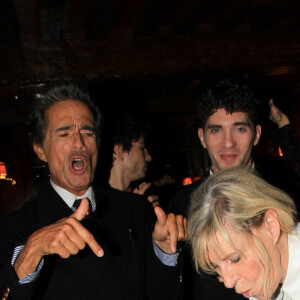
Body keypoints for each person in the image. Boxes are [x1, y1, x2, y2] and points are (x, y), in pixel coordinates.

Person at [0, 81, 186, 300]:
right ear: (41, 150)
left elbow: (162, 295)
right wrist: (33, 251)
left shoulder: (135, 209)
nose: (79, 142)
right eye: (64, 133)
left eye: (88, 133)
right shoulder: (16, 226)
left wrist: (165, 252)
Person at [168, 80, 300, 299]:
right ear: (202, 136)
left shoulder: (287, 189)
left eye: (239, 128)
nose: (228, 142)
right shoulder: (181, 206)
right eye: (217, 130)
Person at [188, 167, 299, 300]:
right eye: (216, 266)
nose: (228, 282)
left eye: (235, 259)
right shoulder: (262, 283)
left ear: (270, 225)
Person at [107, 115, 160, 207]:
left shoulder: (136, 199)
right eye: (142, 147)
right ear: (120, 151)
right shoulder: (98, 202)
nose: (148, 157)